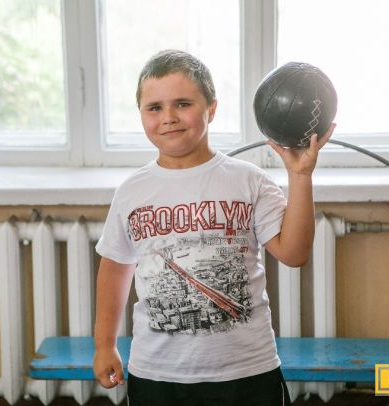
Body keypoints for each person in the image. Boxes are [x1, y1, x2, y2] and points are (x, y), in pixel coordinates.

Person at [93, 49, 335, 406]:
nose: (169, 117)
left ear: (211, 108)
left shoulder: (249, 180)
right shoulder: (131, 191)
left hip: (247, 371)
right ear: (141, 114)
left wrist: (300, 176)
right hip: (157, 374)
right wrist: (104, 345)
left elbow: (295, 254)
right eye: (154, 108)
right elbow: (115, 269)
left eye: (183, 104)